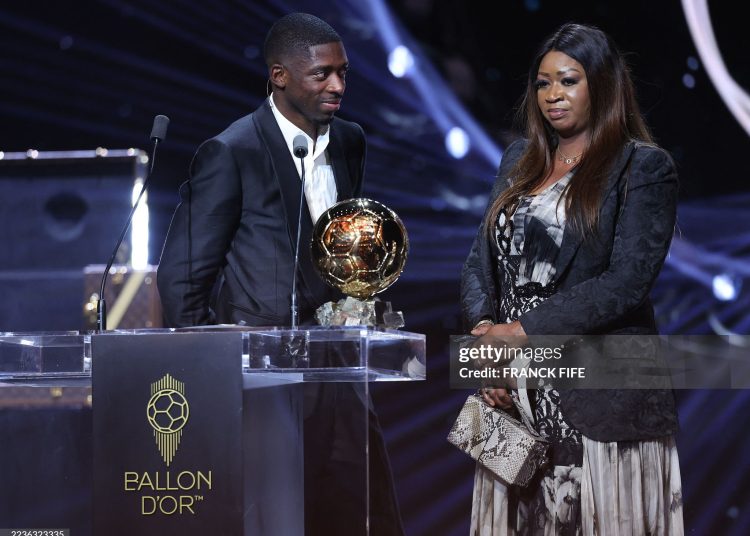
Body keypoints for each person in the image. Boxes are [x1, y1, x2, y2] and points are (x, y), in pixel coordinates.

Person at [157, 13, 403, 535]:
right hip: (263, 375)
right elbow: (182, 278)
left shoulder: (350, 141)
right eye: (322, 75)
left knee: (359, 510)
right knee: (275, 515)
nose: (337, 86)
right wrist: (212, 371)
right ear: (280, 75)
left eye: (343, 72)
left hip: (338, 367)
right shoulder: (232, 151)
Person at [460, 23, 684, 535]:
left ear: (601, 86)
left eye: (568, 81)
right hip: (514, 395)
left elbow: (625, 284)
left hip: (603, 398)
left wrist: (516, 337)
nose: (552, 95)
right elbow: (481, 263)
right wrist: (486, 347)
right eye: (543, 83)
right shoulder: (519, 159)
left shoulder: (642, 168)